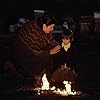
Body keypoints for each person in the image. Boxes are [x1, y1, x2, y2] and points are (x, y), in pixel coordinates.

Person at [13, 15, 61, 87]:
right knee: (41, 57)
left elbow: (50, 40)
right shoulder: (33, 34)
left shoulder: (44, 28)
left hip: (36, 46)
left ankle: (47, 72)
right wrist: (50, 52)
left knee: (51, 51)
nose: (52, 29)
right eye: (51, 27)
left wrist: (60, 45)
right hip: (23, 48)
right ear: (44, 25)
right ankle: (37, 75)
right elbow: (35, 52)